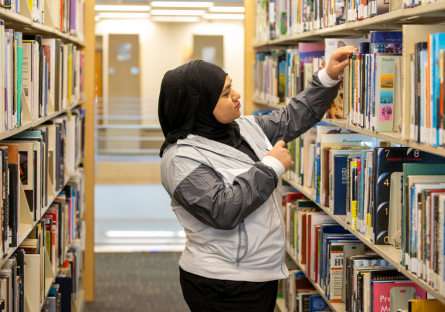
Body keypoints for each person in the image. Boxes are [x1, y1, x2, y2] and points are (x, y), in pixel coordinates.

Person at [158, 46, 357, 312]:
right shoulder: (180, 159)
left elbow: (291, 118)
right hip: (220, 283)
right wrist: (271, 166)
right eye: (226, 93)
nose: (237, 95)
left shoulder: (245, 127)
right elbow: (222, 210)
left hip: (260, 273)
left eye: (232, 87)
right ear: (201, 106)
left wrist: (327, 78)